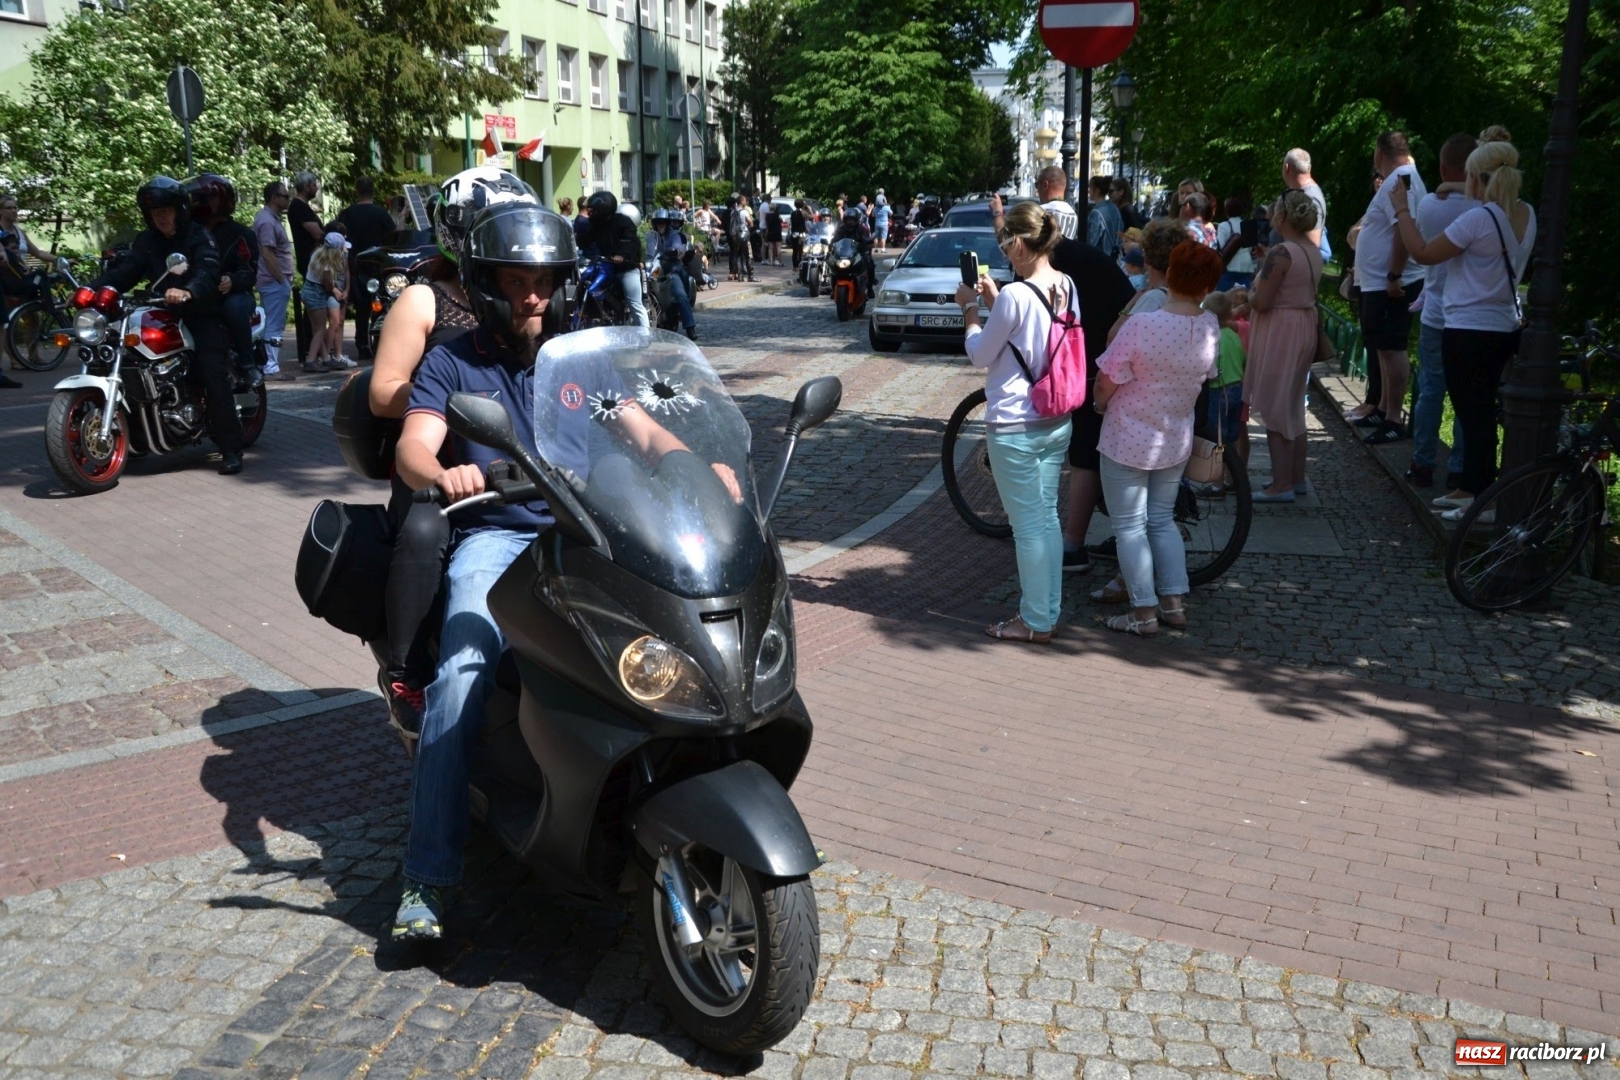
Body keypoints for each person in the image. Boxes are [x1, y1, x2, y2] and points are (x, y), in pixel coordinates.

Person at [390, 201, 742, 940]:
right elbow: (415, 445)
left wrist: (701, 467)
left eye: (545, 281)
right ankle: (426, 877)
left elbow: (645, 430)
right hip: (495, 537)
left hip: (584, 534)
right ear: (486, 284)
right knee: (459, 673)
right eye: (518, 282)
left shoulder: (580, 364)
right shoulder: (454, 361)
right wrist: (444, 475)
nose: (533, 297)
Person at [369, 167, 533, 731]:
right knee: (425, 530)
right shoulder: (425, 298)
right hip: (440, 468)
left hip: (517, 466)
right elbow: (383, 391)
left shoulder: (529, 295)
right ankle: (406, 676)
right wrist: (452, 395)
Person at [1388, 139, 1535, 521]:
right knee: (1479, 412)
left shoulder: (1478, 219)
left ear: (1475, 177)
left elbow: (1422, 253)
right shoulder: (1526, 214)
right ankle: (1470, 487)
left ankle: (1480, 495)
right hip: (1503, 326)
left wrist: (1402, 210)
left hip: (1467, 327)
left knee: (1474, 415)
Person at [1091, 243, 1225, 635]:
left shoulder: (1143, 324)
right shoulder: (1209, 326)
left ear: (1171, 274)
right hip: (1174, 438)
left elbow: (1106, 380)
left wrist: (1100, 406)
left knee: (1130, 527)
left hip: (1127, 435)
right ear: (1207, 285)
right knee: (1162, 520)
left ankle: (1143, 612)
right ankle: (1173, 602)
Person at [957, 200, 1074, 643]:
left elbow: (980, 354)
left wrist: (970, 310)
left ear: (1021, 244)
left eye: (1007, 244)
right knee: (1046, 519)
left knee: (1027, 526)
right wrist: (993, 300)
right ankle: (1047, 612)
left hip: (1014, 423)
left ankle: (1034, 621)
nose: (1004, 251)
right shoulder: (1066, 285)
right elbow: (1037, 333)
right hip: (1056, 414)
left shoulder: (1014, 296)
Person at [92, 176, 244, 474]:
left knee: (212, 373)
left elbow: (208, 269)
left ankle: (231, 448)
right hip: (162, 311)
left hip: (200, 313)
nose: (160, 216)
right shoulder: (146, 241)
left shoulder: (198, 237)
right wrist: (91, 289)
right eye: (154, 212)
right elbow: (126, 272)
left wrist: (189, 290)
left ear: (180, 210)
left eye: (166, 210)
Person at [1405, 132, 1479, 490]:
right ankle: (1460, 469)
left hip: (1436, 311)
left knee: (1431, 390)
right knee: (1468, 397)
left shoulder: (1431, 205)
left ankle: (1422, 463)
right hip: (1471, 319)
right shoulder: (1485, 210)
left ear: (1443, 168)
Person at [1244, 191, 1325, 502]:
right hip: (1304, 324)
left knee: (1277, 404)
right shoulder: (1311, 251)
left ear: (1281, 217)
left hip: (1281, 329)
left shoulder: (1282, 252)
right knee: (1293, 404)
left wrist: (1247, 296)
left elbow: (1262, 300)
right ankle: (1296, 478)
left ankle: (1281, 486)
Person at [1357, 131, 1428, 445]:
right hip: (1381, 282)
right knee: (1383, 347)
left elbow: (1403, 230)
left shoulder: (1401, 180)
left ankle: (1394, 418)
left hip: (1392, 283)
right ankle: (1385, 407)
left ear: (1378, 154)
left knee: (1392, 346)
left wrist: (1393, 275)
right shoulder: (1401, 178)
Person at [186, 174, 262, 390]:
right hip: (200, 292)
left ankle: (247, 364)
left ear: (220, 200)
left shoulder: (241, 234)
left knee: (235, 306)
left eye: (204, 199)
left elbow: (249, 272)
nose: (198, 204)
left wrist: (233, 280)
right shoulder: (190, 232)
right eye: (197, 199)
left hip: (232, 293)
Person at [339, 177, 398, 362]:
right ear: (373, 191)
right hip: (378, 264)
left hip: (356, 264)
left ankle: (362, 344)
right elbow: (394, 236)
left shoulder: (347, 214)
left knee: (362, 308)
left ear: (357, 191)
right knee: (382, 304)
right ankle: (382, 342)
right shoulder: (380, 213)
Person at [580, 190, 648, 326]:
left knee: (634, 303)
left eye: (595, 209)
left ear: (604, 208)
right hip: (606, 266)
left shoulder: (623, 221)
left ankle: (646, 335)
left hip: (625, 268)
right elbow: (585, 239)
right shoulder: (595, 223)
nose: (591, 212)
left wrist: (622, 255)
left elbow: (632, 241)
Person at [253, 181, 295, 381]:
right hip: (273, 281)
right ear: (273, 198)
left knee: (271, 324)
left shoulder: (270, 219)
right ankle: (270, 367)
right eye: (285, 196)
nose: (288, 199)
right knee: (273, 325)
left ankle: (268, 365)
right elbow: (267, 253)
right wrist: (281, 280)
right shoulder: (268, 221)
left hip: (273, 281)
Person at [287, 172, 324, 363]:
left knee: (314, 306)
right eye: (315, 185)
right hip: (310, 260)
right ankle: (309, 348)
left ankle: (313, 347)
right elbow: (317, 233)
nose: (317, 188)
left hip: (311, 259)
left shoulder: (301, 207)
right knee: (315, 304)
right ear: (307, 186)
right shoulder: (299, 207)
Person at [301, 232, 351, 371]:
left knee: (316, 328)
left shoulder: (317, 253)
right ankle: (310, 360)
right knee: (320, 329)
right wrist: (335, 290)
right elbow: (328, 285)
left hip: (308, 290)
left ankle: (326, 359)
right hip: (316, 293)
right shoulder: (327, 265)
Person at [646, 208, 698, 340]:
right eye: (658, 223)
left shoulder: (674, 235)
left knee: (680, 295)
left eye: (663, 223)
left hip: (671, 269)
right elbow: (646, 250)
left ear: (667, 223)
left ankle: (690, 327)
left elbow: (679, 246)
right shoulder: (651, 236)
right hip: (653, 269)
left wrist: (675, 250)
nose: (661, 225)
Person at [1281, 149, 1330, 260]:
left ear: (1287, 167)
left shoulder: (1310, 198)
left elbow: (1311, 247)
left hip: (1294, 275)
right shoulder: (1306, 194)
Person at [1215, 196, 1256, 290]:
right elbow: (1250, 248)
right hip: (1246, 265)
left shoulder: (1224, 226)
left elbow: (1220, 245)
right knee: (1245, 297)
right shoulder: (1248, 225)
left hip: (1229, 266)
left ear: (1226, 211)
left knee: (1223, 298)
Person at [1034, 165, 1078, 241]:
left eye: (1037, 185)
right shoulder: (1073, 214)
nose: (1037, 190)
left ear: (1045, 185)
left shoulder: (1040, 211)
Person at [1086, 176, 1123, 259]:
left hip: (1101, 259)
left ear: (1097, 190)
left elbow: (1091, 242)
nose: (1088, 190)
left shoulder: (1096, 213)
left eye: (1090, 187)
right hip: (1115, 258)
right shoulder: (1114, 208)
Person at [725, 194, 754, 282]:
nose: (746, 202)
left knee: (738, 256)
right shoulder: (744, 212)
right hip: (743, 235)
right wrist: (747, 227)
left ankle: (740, 276)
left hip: (735, 237)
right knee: (748, 255)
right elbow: (750, 223)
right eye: (745, 200)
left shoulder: (732, 212)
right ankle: (750, 276)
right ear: (741, 201)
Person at [763, 196, 783, 266]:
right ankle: (780, 262)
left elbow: (766, 224)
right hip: (777, 232)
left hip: (770, 232)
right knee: (778, 247)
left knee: (770, 248)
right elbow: (781, 221)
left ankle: (771, 261)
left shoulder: (767, 216)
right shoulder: (777, 216)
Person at [789, 199, 809, 269]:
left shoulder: (793, 213)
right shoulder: (803, 212)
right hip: (801, 233)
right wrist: (809, 209)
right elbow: (811, 217)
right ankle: (800, 263)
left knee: (794, 250)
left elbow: (791, 223)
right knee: (801, 249)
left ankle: (794, 265)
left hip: (794, 233)